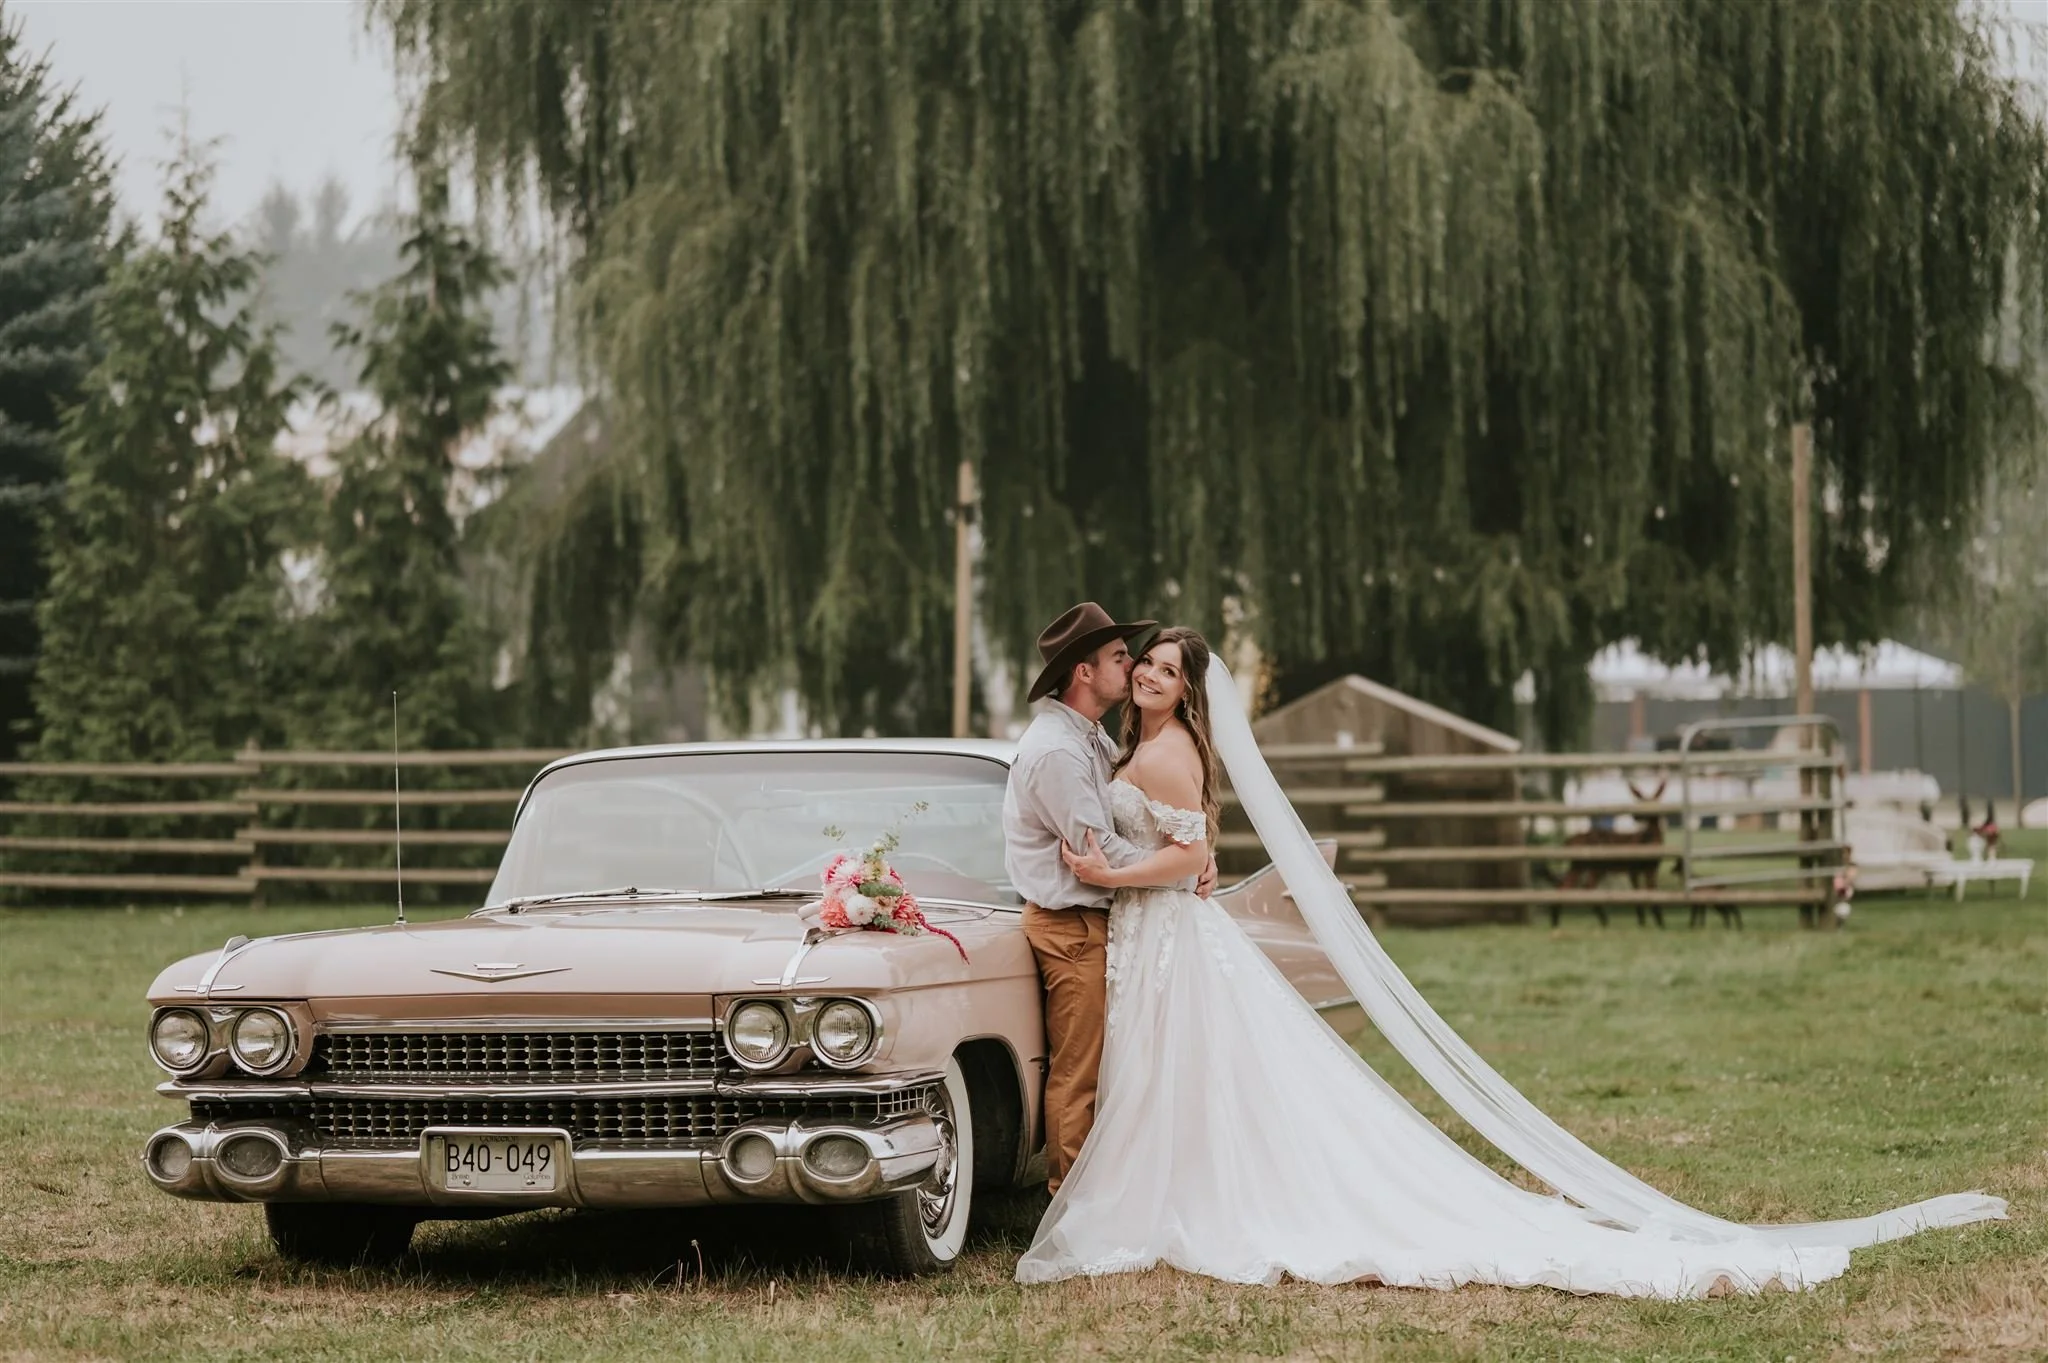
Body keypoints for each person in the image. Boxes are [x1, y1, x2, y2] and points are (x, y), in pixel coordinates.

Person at [1015, 627, 2006, 1296]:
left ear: (1185, 691)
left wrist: (1118, 867)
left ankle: (1182, 1199)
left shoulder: (1163, 755)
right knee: (1168, 1075)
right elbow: (1192, 854)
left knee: (1185, 1071)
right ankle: (1171, 1185)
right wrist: (1131, 868)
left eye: (1161, 670)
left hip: (1167, 932)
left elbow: (1191, 855)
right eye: (1140, 664)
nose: (1146, 675)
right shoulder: (1123, 751)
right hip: (1154, 933)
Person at [1000, 602, 1215, 1195]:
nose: (1135, 668)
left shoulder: (1090, 735)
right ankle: (1070, 1201)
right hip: (1072, 925)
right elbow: (1102, 857)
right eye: (1124, 658)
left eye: (1154, 664)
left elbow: (1142, 829)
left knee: (1118, 1064)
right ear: (1085, 673)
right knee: (1080, 1071)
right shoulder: (1060, 751)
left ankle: (1112, 1191)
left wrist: (1192, 848)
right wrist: (1186, 862)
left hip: (1108, 921)